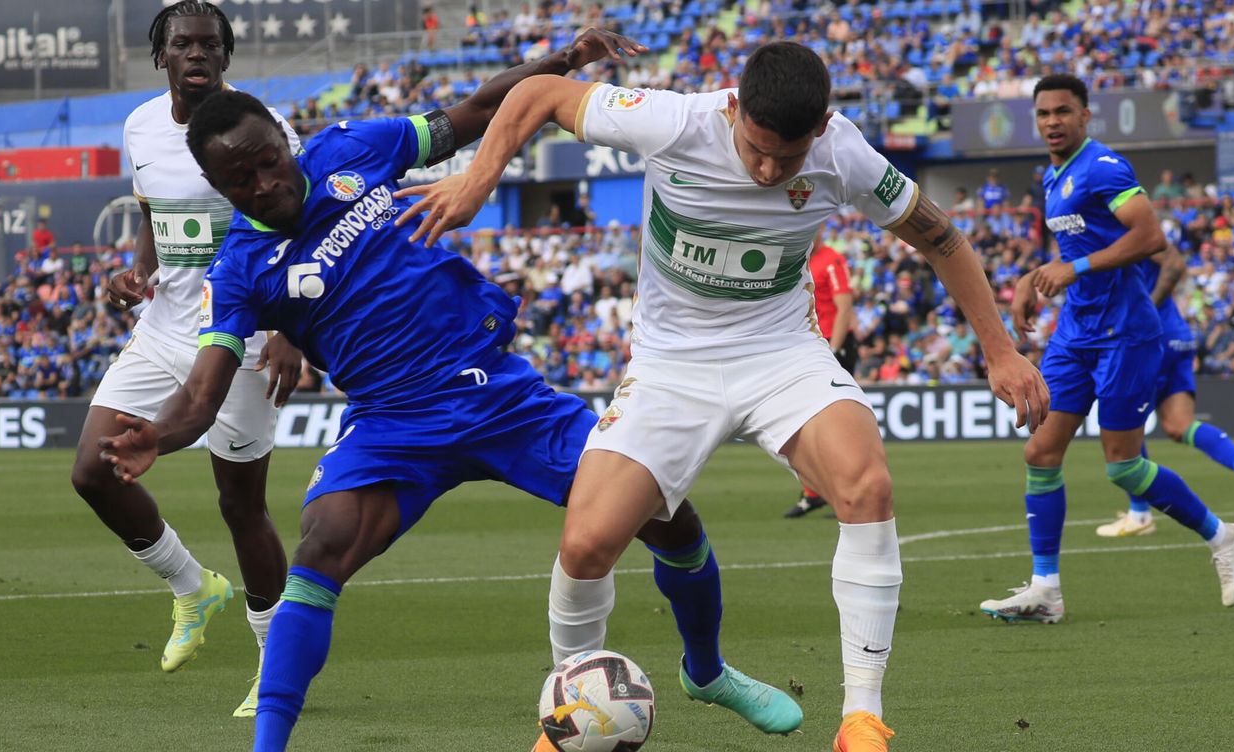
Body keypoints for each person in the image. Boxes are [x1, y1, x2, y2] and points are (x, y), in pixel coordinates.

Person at [97, 30, 796, 752]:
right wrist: (163, 435)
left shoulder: (350, 149)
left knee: (666, 514)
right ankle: (269, 745)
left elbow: (471, 113)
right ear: (220, 190)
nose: (264, 184)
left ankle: (706, 672)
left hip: (498, 394)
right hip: (394, 424)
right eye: (241, 182)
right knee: (321, 547)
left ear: (282, 140)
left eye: (268, 162)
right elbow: (202, 394)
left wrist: (555, 65)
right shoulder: (239, 268)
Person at [398, 41, 1049, 752]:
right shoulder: (674, 121)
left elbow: (942, 238)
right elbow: (541, 94)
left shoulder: (846, 153)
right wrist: (477, 179)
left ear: (822, 127)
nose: (769, 171)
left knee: (867, 486)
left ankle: (862, 717)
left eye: (788, 158)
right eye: (756, 150)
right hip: (671, 365)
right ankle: (571, 718)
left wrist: (999, 349)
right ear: (733, 109)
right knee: (587, 543)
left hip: (781, 354)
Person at [69, 0, 307, 718]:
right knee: (91, 471)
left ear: (226, 56)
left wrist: (290, 331)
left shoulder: (261, 126)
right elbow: (152, 213)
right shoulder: (141, 125)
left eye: (209, 44)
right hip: (163, 328)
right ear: (162, 56)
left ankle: (276, 663)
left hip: (242, 340)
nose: (197, 53)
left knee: (241, 505)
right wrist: (137, 271)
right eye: (183, 44)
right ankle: (192, 587)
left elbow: (299, 223)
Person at [988, 74, 1234, 624]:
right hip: (1075, 333)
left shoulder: (1104, 167)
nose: (1052, 121)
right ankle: (1046, 589)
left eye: (1063, 111)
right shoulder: (1053, 176)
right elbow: (1073, 250)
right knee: (1039, 452)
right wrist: (1029, 282)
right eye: (1043, 114)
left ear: (1086, 116)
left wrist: (1074, 268)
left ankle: (1224, 536)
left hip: (1127, 334)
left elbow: (1150, 236)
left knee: (1124, 468)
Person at [1095, 244, 1234, 536]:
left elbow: (1173, 263)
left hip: (1149, 337)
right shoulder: (1130, 223)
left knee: (1125, 423)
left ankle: (1139, 514)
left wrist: (1144, 310)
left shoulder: (1124, 226)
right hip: (1176, 334)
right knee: (1180, 425)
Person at [784, 239, 856, 519]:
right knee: (800, 421)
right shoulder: (797, 255)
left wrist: (835, 350)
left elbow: (844, 306)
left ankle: (846, 494)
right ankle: (813, 493)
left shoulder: (832, 260)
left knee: (838, 423)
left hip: (829, 345)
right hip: (805, 345)